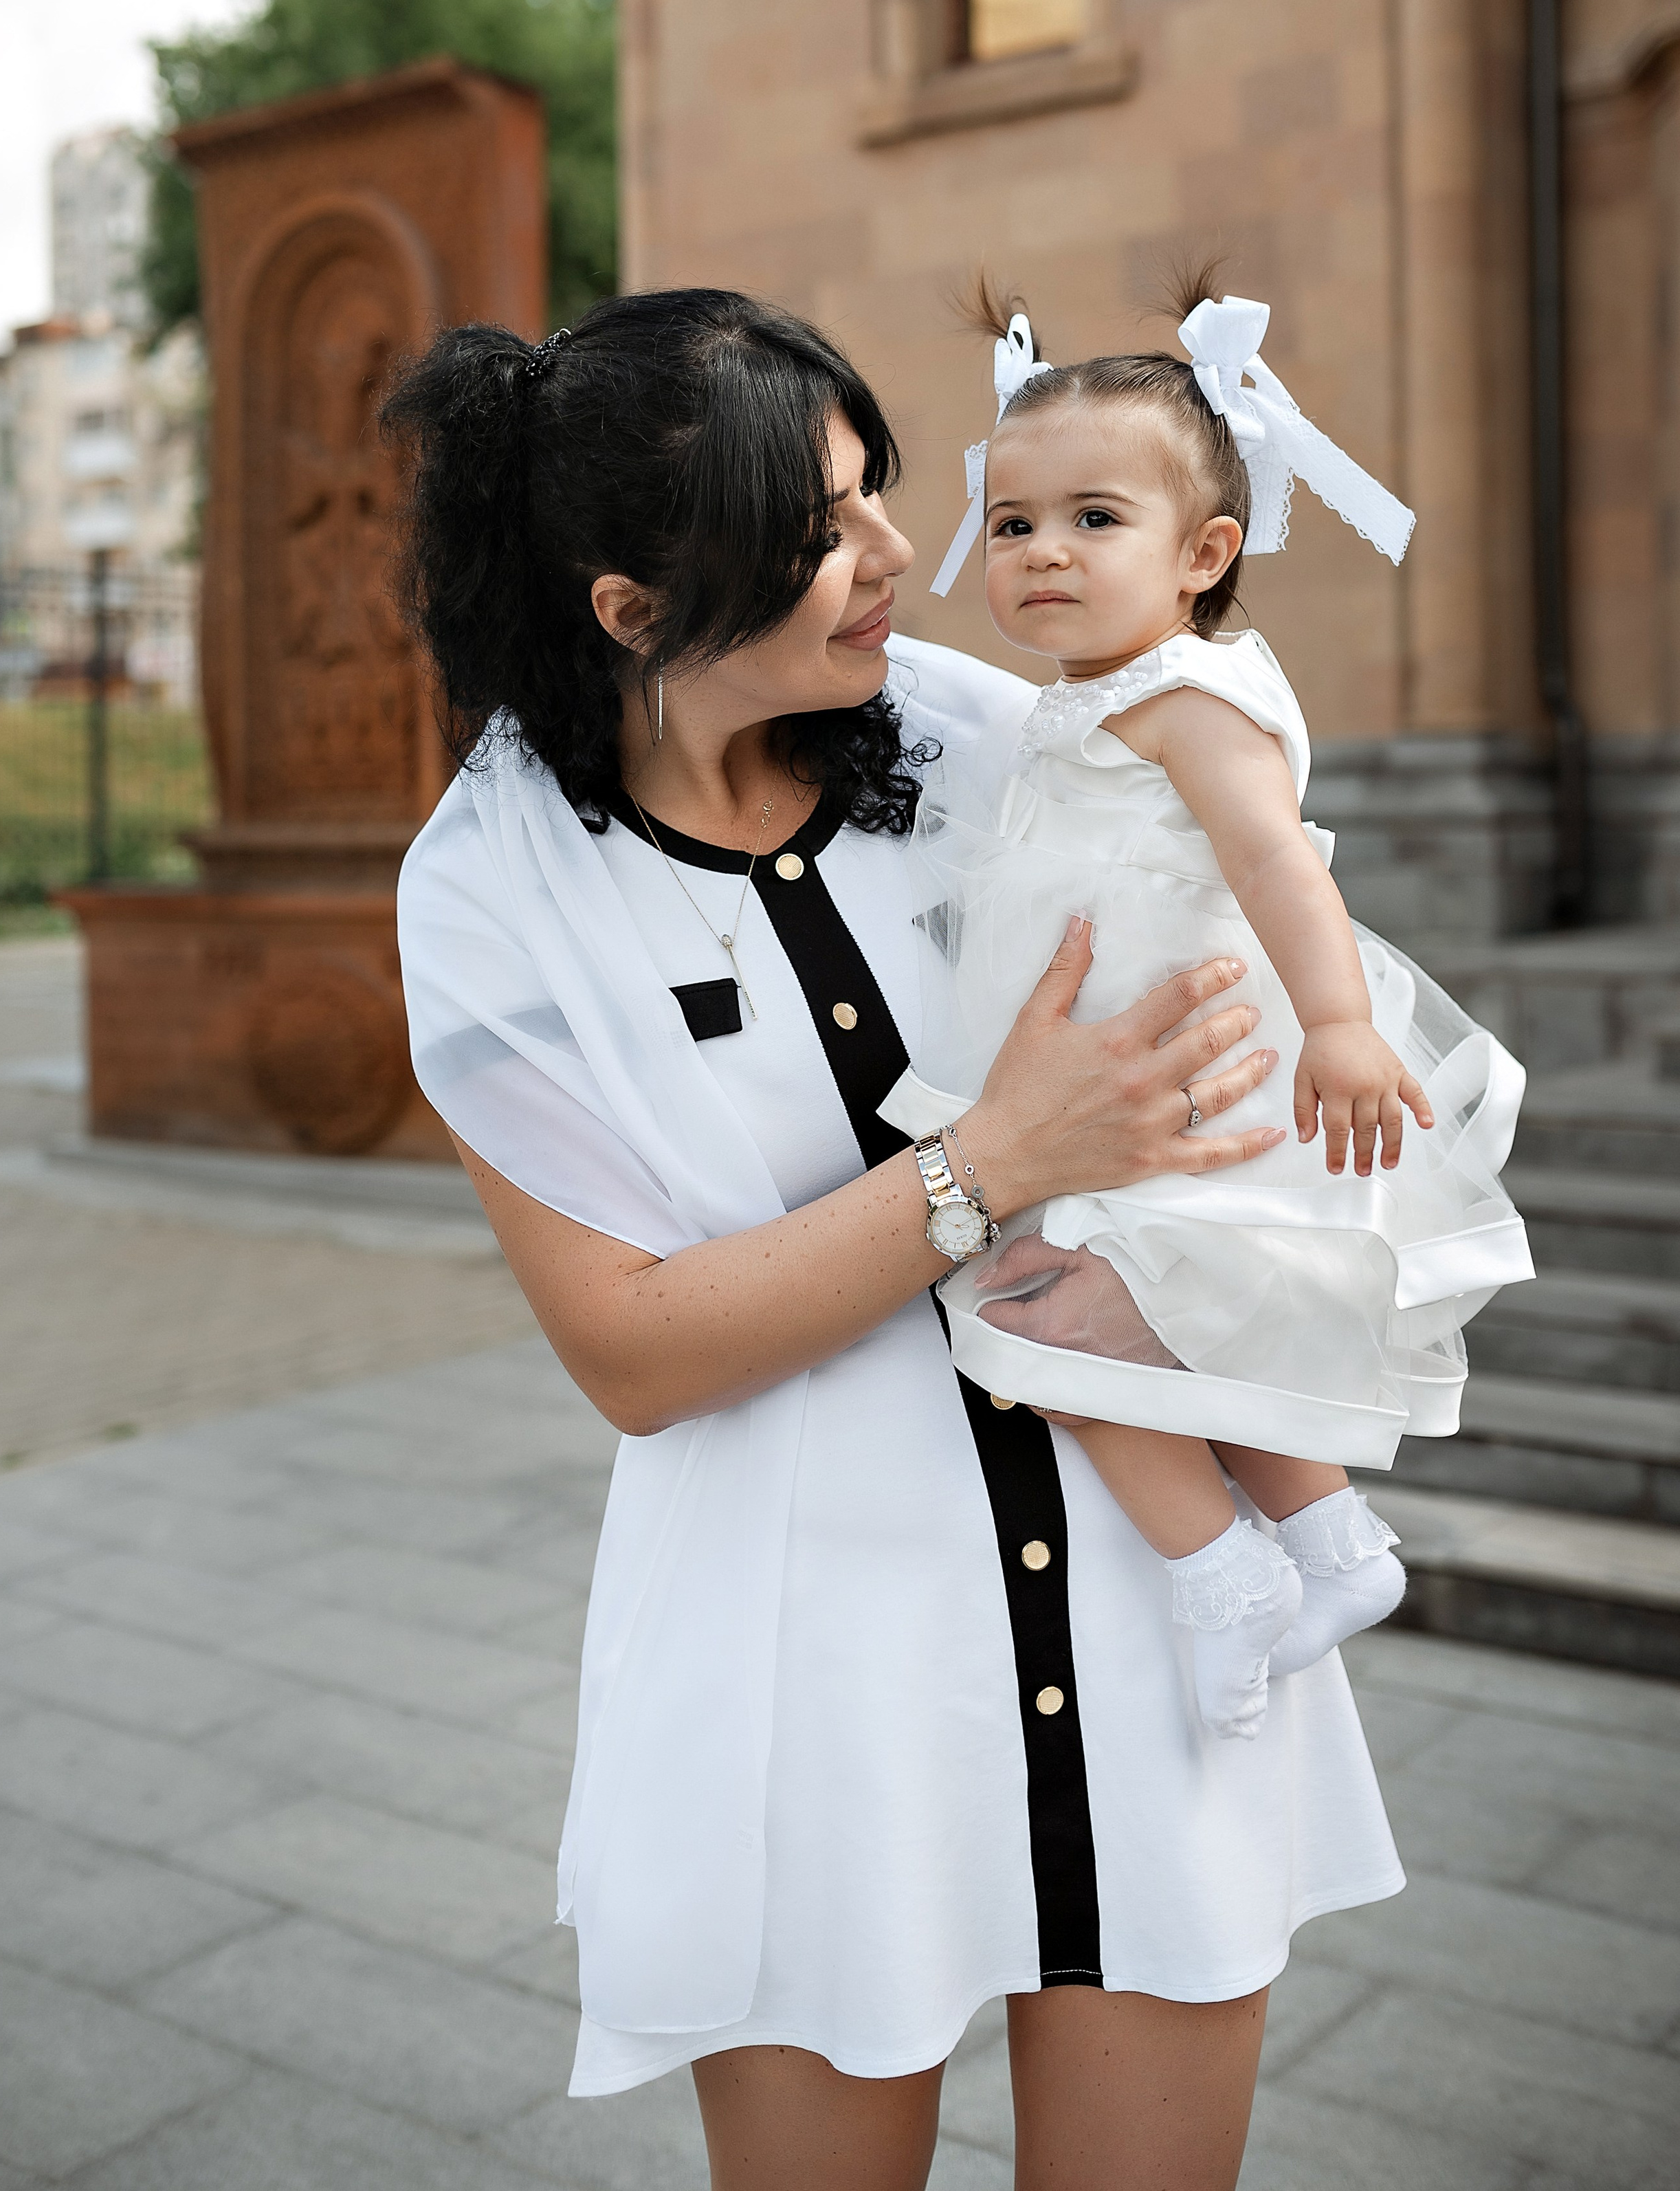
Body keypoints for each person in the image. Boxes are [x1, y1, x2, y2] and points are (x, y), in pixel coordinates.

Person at [390, 289, 1406, 2191]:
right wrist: (994, 1161)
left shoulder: (991, 727)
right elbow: (635, 1347)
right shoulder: (490, 891)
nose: (891, 560)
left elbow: (1233, 943)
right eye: (817, 534)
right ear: (635, 609)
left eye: (875, 496)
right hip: (814, 1686)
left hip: (1165, 1621)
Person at [888, 273, 1532, 1744]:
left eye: (1092, 521)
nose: (1042, 553)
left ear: (1203, 554)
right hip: (1105, 1061)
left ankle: (1223, 1565)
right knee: (1103, 1307)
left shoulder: (1183, 693)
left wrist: (1339, 1026)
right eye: (1012, 523)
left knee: (1042, 1309)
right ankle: (1318, 1544)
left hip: (1187, 1059)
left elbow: (1271, 859)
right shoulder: (1092, 695)